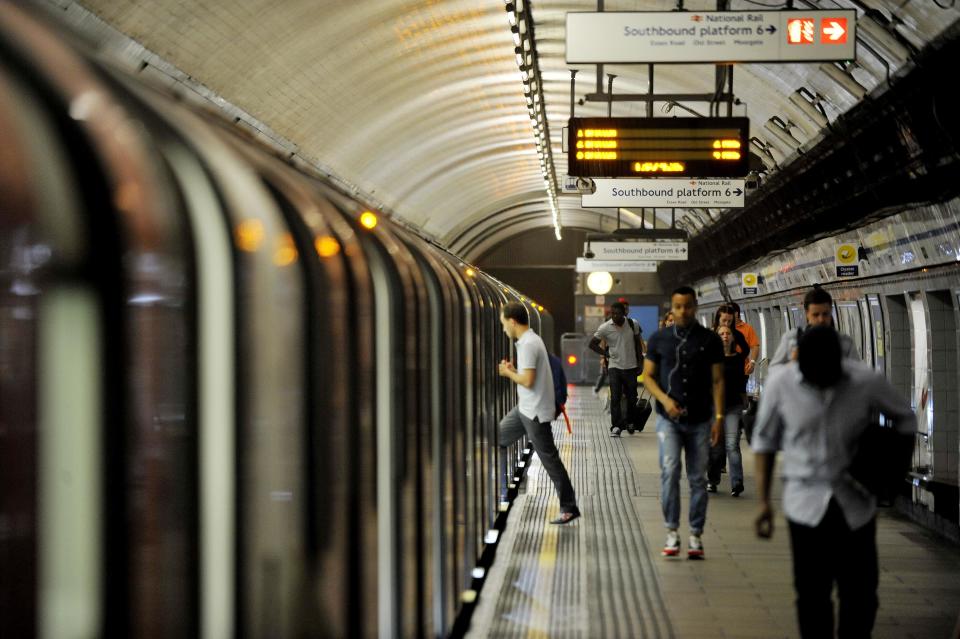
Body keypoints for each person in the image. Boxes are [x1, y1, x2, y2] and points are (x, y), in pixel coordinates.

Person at [753, 326, 915, 638]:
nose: (821, 382)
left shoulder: (865, 381)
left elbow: (905, 417)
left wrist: (891, 469)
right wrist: (762, 503)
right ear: (799, 363)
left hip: (855, 504)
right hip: (805, 505)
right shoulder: (781, 384)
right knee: (812, 595)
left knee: (862, 595)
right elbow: (764, 443)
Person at [643, 287, 725, 558]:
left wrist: (719, 418)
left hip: (701, 418)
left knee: (697, 478)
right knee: (670, 471)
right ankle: (671, 531)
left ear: (695, 306)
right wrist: (665, 402)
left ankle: (695, 534)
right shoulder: (659, 340)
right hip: (669, 419)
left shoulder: (711, 340)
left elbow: (717, 381)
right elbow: (648, 378)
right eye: (678, 307)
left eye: (687, 306)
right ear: (672, 308)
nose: (683, 311)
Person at [498, 302, 580, 524]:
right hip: (525, 408)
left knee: (550, 459)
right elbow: (527, 377)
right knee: (498, 439)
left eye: (504, 324)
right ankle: (501, 492)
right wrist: (516, 371)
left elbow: (528, 380)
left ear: (512, 322)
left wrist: (508, 373)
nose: (504, 329)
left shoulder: (528, 345)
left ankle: (569, 507)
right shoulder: (531, 340)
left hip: (533, 412)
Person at [707, 324, 750, 496]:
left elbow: (746, 347)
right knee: (716, 447)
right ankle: (712, 479)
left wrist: (731, 325)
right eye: (721, 334)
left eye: (728, 334)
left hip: (733, 406)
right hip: (713, 406)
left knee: (732, 445)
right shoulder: (710, 358)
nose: (725, 336)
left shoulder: (739, 358)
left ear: (733, 337)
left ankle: (737, 482)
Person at [770, 285, 858, 366]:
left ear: (831, 312)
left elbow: (858, 374)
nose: (821, 319)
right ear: (807, 314)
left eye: (825, 314)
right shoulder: (791, 339)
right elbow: (773, 371)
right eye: (816, 315)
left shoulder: (845, 343)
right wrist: (793, 363)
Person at [589, 302, 642, 436]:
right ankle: (616, 426)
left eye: (617, 313)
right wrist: (605, 354)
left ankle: (630, 422)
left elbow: (637, 344)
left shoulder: (632, 324)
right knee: (615, 397)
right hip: (615, 367)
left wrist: (640, 363)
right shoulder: (605, 327)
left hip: (631, 366)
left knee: (631, 397)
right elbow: (592, 344)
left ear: (624, 313)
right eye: (612, 313)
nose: (614, 316)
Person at [729, 302, 760, 376]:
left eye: (729, 312)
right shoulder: (723, 329)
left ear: (736, 314)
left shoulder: (747, 328)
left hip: (742, 370)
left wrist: (752, 362)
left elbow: (755, 346)